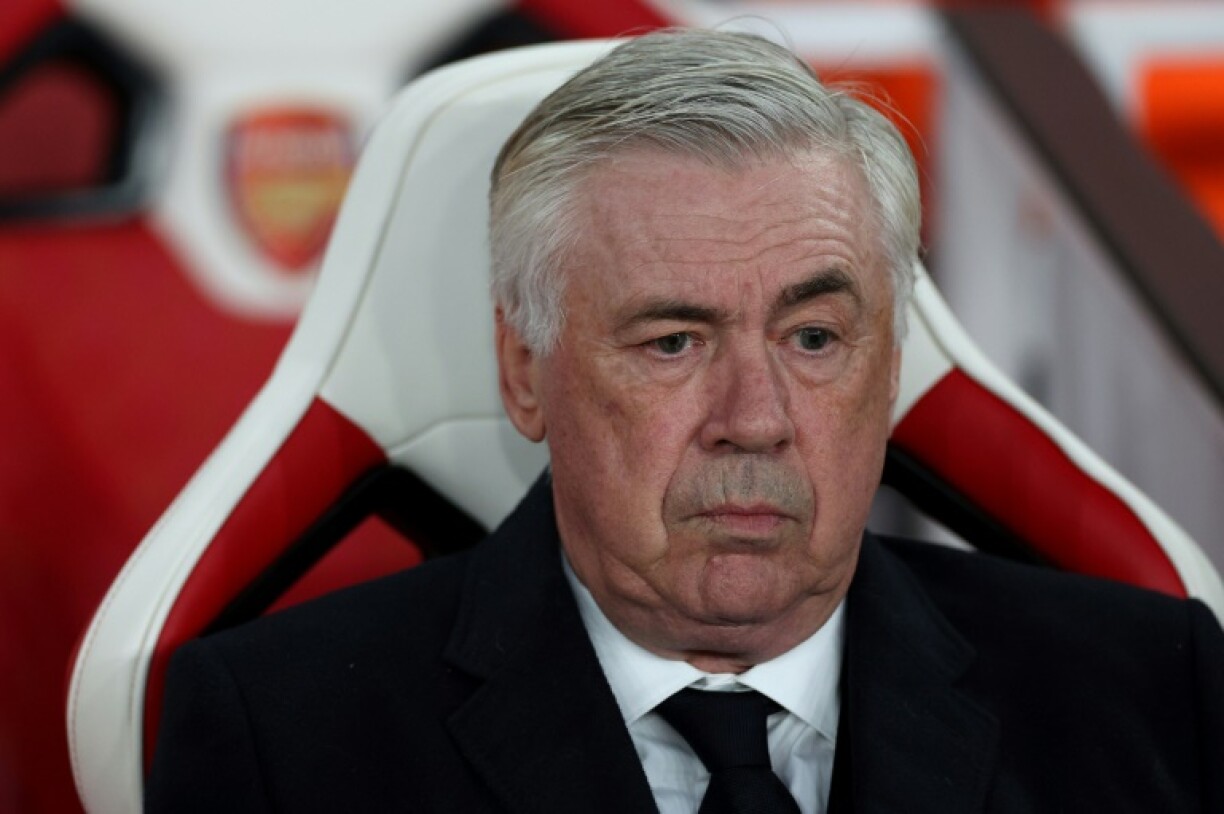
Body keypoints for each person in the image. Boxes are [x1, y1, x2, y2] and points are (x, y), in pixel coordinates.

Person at [147, 29, 1224, 813]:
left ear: (890, 365)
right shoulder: (278, 742)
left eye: (813, 339)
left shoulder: (1150, 692)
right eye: (673, 342)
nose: (754, 420)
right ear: (525, 368)